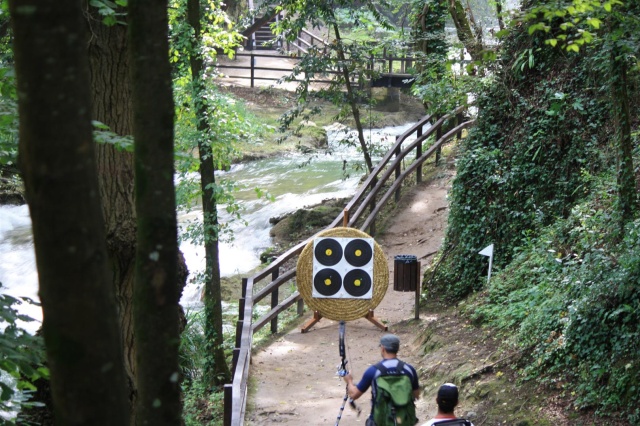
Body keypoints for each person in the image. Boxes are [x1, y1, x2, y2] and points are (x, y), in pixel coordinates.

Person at [343, 334, 420, 426]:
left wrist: (349, 381)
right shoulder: (409, 369)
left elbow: (354, 394)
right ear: (397, 348)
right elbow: (416, 395)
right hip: (404, 421)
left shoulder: (373, 371)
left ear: (383, 348)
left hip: (379, 421)